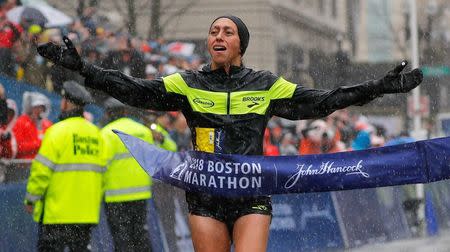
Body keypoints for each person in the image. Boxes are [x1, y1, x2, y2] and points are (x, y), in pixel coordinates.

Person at [37, 15, 423, 252]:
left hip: (251, 193)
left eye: (227, 32)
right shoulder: (187, 82)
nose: (218, 36)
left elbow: (322, 101)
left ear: (241, 44)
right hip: (205, 195)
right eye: (213, 31)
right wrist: (84, 68)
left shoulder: (265, 84)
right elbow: (135, 89)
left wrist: (377, 87)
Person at [24, 81, 104, 252]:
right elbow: (102, 174)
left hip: (57, 214)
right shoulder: (96, 134)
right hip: (86, 214)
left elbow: (41, 172)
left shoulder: (56, 131)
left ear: (66, 103)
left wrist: (31, 199)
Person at [101, 97, 154, 251]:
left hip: (116, 196)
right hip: (141, 193)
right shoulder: (143, 131)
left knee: (122, 239)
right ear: (125, 111)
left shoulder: (107, 133)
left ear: (108, 114)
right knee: (140, 236)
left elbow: (102, 166)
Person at [13, 92, 53, 159]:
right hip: (23, 165)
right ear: (30, 108)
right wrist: (39, 144)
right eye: (36, 107)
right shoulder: (21, 122)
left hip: (43, 164)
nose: (39, 110)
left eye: (41, 108)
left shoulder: (48, 125)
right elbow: (18, 147)